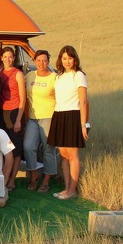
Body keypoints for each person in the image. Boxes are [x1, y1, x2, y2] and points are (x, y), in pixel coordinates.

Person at [47, 45, 88, 200]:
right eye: (64, 58)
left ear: (75, 59)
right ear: (60, 60)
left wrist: (83, 124)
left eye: (70, 58)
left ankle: (72, 190)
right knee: (63, 155)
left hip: (73, 116)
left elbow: (83, 101)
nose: (67, 61)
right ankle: (66, 188)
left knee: (72, 154)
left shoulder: (78, 75)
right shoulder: (59, 76)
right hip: (59, 115)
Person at [23, 50, 57, 193]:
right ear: (34, 61)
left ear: (48, 61)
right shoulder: (30, 75)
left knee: (48, 150)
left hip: (49, 117)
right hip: (32, 118)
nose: (41, 63)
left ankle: (46, 181)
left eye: (44, 60)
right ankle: (34, 174)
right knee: (28, 147)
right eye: (39, 60)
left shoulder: (54, 78)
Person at [0, 47, 26, 191]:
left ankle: (12, 180)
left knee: (15, 149)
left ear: (13, 58)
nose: (8, 59)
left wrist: (18, 120)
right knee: (5, 148)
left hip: (15, 112)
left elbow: (23, 98)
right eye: (5, 57)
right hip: (2, 112)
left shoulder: (18, 74)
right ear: (2, 58)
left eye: (10, 57)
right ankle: (4, 177)